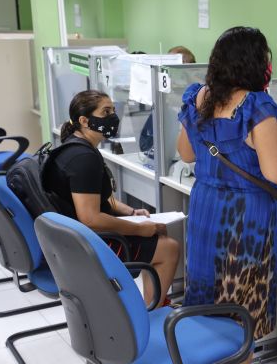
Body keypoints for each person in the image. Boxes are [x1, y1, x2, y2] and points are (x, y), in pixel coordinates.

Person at [177, 26, 277, 364]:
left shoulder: (199, 98)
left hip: (206, 210)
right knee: (242, 311)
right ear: (256, 63)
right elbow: (276, 172)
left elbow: (186, 152)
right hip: (245, 220)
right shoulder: (256, 106)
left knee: (208, 303)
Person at [44, 90, 179, 307]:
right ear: (84, 120)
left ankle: (154, 300)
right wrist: (139, 229)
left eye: (113, 111)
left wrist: (131, 213)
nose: (113, 117)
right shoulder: (83, 159)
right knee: (169, 247)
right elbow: (90, 218)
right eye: (105, 112)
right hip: (90, 242)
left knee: (158, 234)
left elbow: (96, 199)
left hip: (74, 238)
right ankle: (153, 311)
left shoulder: (74, 146)